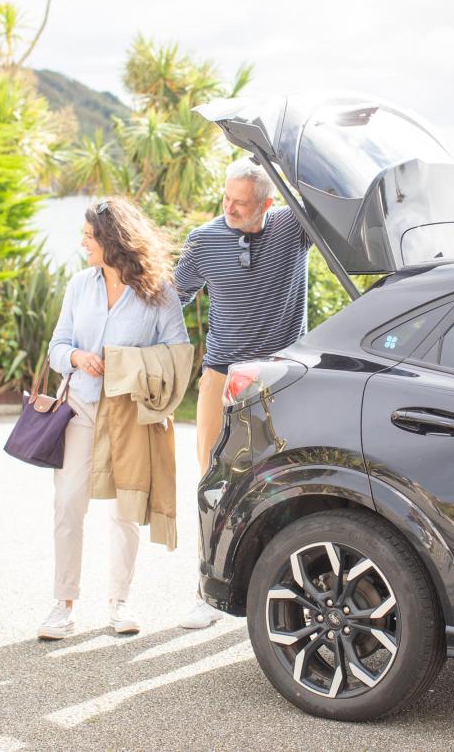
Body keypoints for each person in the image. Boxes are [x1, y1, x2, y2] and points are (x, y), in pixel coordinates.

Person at [40, 198, 190, 641]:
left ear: (113, 240)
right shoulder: (79, 286)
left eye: (90, 236)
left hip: (130, 413)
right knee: (69, 504)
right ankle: (62, 604)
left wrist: (127, 364)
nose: (83, 243)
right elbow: (55, 347)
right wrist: (76, 357)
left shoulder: (158, 291)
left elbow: (178, 352)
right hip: (82, 407)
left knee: (127, 509)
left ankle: (119, 602)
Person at [174, 157, 313, 629]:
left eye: (241, 203)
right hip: (220, 378)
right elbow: (174, 298)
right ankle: (204, 591)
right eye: (226, 199)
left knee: (293, 485)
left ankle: (287, 594)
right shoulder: (205, 239)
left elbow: (327, 195)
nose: (229, 208)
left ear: (268, 204)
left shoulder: (293, 226)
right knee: (213, 484)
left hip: (283, 381)